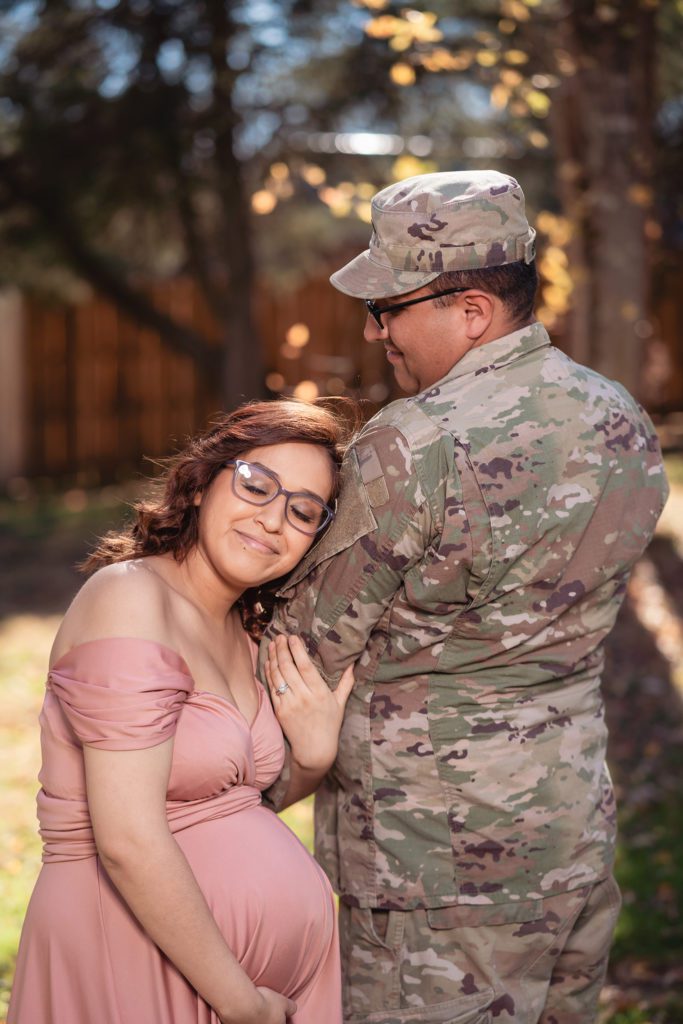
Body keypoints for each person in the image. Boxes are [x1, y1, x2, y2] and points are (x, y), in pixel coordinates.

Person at [262, 171, 670, 1024]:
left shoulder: (414, 441)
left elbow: (306, 644)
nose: (377, 332)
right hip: (568, 827)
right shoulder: (620, 417)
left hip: (432, 862)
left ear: (472, 310)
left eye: (389, 309)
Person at [8, 399, 357, 1024]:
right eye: (257, 484)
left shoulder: (248, 634)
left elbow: (237, 805)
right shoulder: (129, 597)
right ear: (202, 484)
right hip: (130, 955)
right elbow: (128, 841)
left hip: (246, 986)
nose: (273, 520)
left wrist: (314, 754)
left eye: (303, 511)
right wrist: (240, 1001)